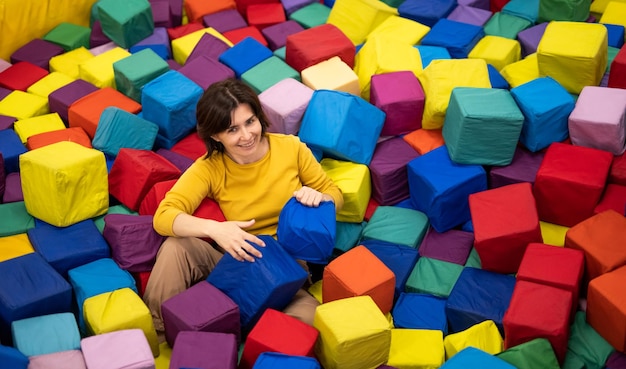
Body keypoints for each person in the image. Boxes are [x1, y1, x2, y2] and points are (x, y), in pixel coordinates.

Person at [143, 78, 344, 337]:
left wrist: (319, 197)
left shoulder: (291, 148)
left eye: (250, 122)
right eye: (232, 129)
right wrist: (216, 230)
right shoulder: (209, 167)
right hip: (236, 262)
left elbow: (335, 193)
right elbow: (164, 215)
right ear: (215, 135)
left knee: (309, 319)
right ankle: (159, 336)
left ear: (259, 117)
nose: (247, 135)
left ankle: (240, 347)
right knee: (175, 247)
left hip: (287, 272)